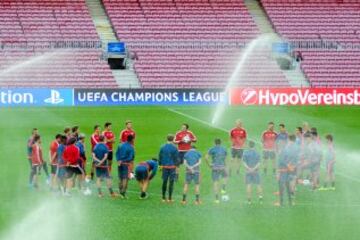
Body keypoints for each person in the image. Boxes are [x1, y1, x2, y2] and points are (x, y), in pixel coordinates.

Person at [275, 134, 300, 207]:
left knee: (282, 185)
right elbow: (297, 158)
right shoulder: (297, 148)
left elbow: (282, 160)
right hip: (293, 168)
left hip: (285, 169)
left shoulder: (286, 148)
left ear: (289, 139)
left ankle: (281, 203)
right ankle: (290, 202)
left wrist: (279, 170)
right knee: (290, 186)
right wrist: (293, 166)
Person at [206, 139, 228, 204]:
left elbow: (206, 158)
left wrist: (209, 164)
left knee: (215, 182)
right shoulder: (224, 149)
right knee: (226, 176)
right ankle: (223, 188)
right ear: (220, 143)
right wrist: (225, 165)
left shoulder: (212, 149)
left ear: (214, 143)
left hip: (215, 168)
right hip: (222, 167)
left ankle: (216, 199)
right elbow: (226, 158)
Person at [159, 134, 179, 203]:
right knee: (171, 182)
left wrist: (160, 165)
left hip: (164, 167)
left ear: (167, 139)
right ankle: (170, 198)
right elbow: (176, 158)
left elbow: (160, 157)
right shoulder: (175, 148)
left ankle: (163, 198)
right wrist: (177, 167)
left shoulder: (162, 147)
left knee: (164, 181)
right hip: (172, 167)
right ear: (173, 139)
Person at [243, 141, 263, 205]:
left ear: (249, 145)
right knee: (258, 185)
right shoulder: (257, 153)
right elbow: (259, 163)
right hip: (256, 171)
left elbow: (244, 163)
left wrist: (249, 169)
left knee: (249, 185)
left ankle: (249, 201)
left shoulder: (245, 153)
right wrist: (254, 169)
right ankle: (260, 200)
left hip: (248, 172)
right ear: (254, 146)